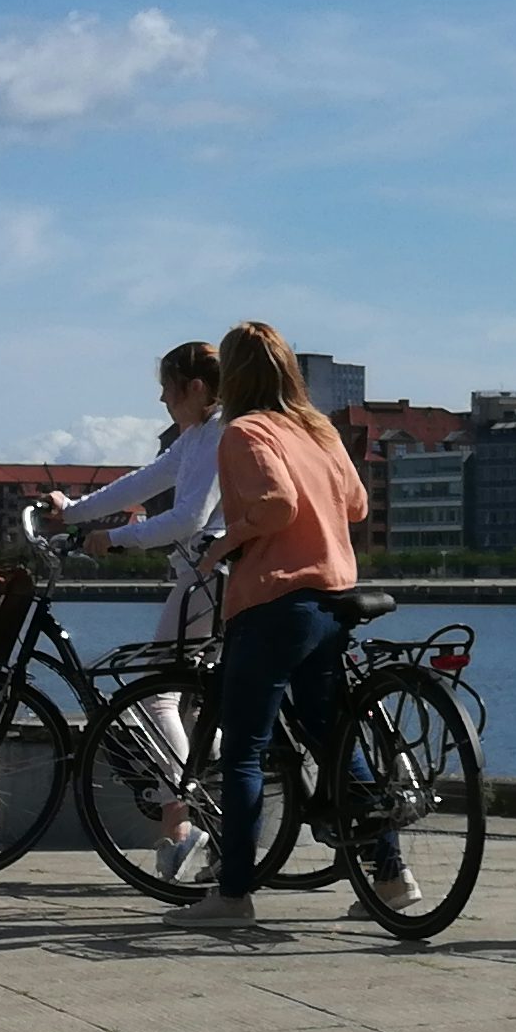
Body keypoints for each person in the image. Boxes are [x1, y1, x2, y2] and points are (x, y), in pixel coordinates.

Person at [169, 321, 374, 929]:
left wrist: (222, 545)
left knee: (244, 754)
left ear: (232, 376)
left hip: (274, 602)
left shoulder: (245, 431)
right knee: (335, 741)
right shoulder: (319, 430)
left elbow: (277, 504)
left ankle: (233, 895)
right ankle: (389, 875)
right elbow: (358, 506)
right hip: (333, 599)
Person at [50, 341, 227, 879]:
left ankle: (180, 824)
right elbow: (144, 481)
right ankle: (214, 819)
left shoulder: (219, 434)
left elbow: (187, 519)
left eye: (167, 389)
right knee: (199, 704)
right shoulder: (196, 435)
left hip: (210, 577)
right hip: (208, 579)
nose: (161, 399)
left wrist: (117, 539)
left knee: (159, 697)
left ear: (195, 389)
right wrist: (76, 511)